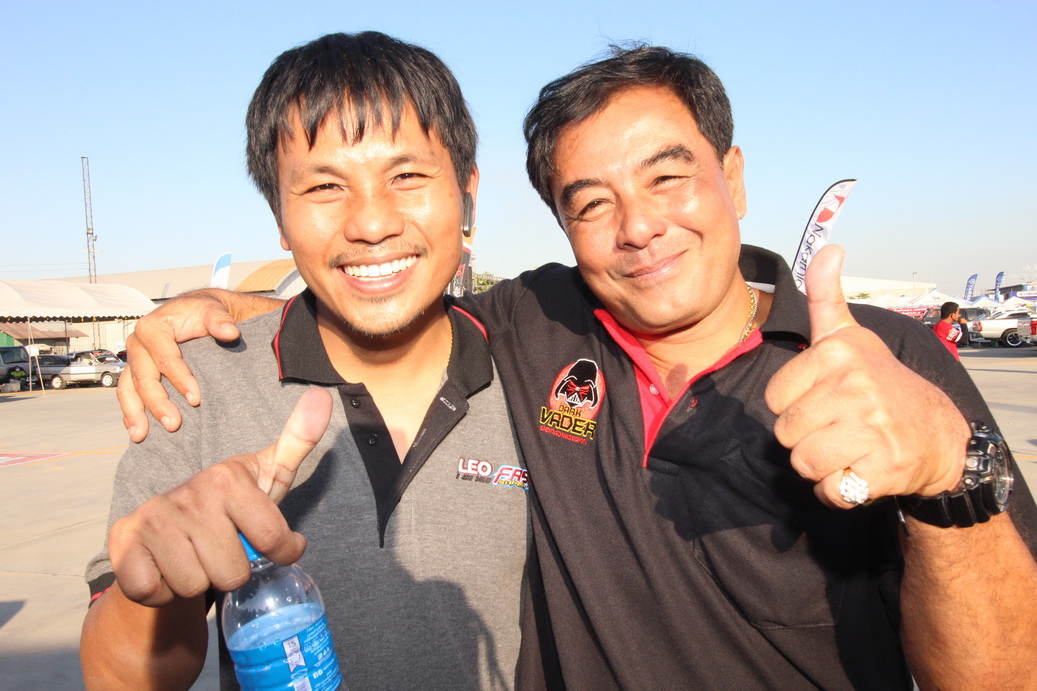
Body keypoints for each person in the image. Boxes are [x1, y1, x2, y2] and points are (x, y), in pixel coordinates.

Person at [117, 45, 1037, 688]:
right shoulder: (536, 325)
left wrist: (945, 479)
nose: (638, 226)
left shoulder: (885, 362)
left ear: (733, 177)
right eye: (591, 202)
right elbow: (382, 287)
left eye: (668, 177)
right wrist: (206, 312)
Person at [80, 32, 531, 690]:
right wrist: (159, 579)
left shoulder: (535, 368)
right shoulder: (198, 387)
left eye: (407, 176)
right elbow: (117, 677)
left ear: (467, 192)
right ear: (279, 217)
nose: (371, 223)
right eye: (324, 185)